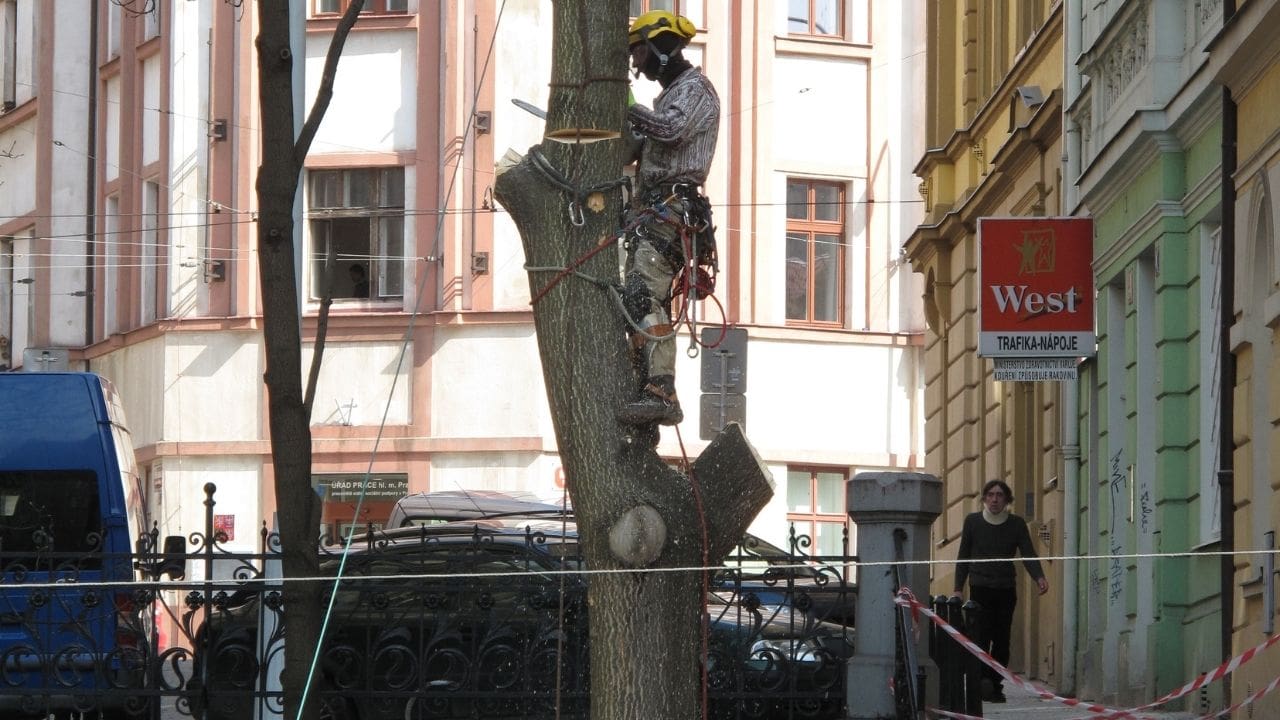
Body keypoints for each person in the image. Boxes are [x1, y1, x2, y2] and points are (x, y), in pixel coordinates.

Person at [616, 9, 720, 428]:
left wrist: (629, 110)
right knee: (634, 296)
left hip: (673, 210)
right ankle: (646, 380)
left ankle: (661, 388)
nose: (636, 63)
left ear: (661, 45)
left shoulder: (696, 91)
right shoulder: (670, 96)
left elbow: (671, 131)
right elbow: (642, 145)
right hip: (653, 210)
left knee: (643, 293)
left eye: (639, 51)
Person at [953, 479, 1048, 703]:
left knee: (1002, 640)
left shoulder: (1016, 524)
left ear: (1007, 500)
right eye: (991, 495)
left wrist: (1039, 577)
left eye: (999, 495)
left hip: (1005, 589)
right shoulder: (973, 522)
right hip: (980, 588)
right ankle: (981, 682)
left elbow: (1028, 553)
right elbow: (963, 556)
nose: (995, 499)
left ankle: (994, 683)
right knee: (981, 638)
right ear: (984, 498)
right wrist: (958, 588)